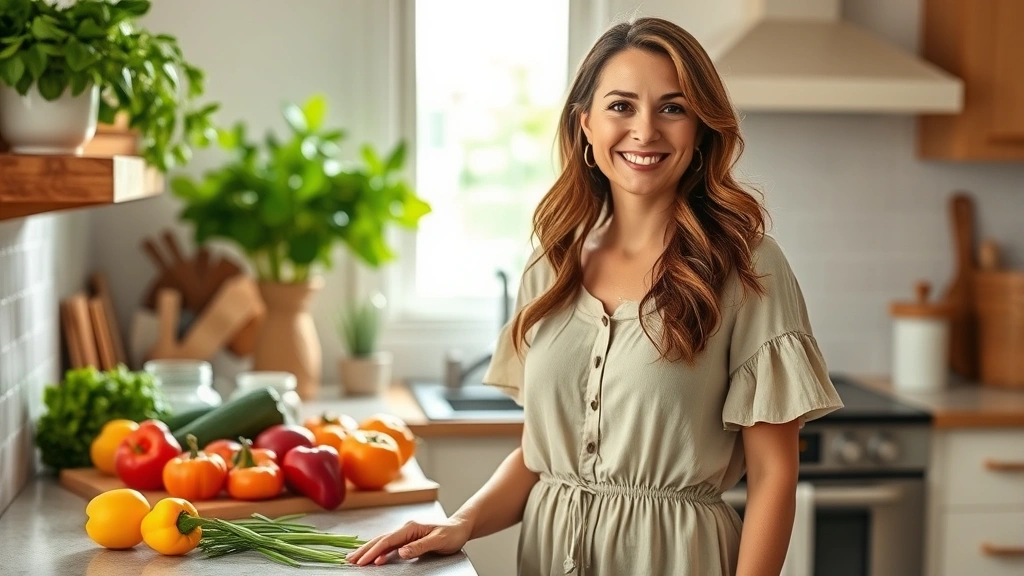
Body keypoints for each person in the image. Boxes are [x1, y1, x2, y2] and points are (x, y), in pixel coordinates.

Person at [348, 15, 844, 576]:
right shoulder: (551, 262)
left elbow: (775, 475)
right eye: (621, 106)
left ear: (702, 129)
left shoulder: (747, 266)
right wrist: (460, 521)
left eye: (673, 108)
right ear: (584, 123)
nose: (646, 130)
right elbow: (542, 460)